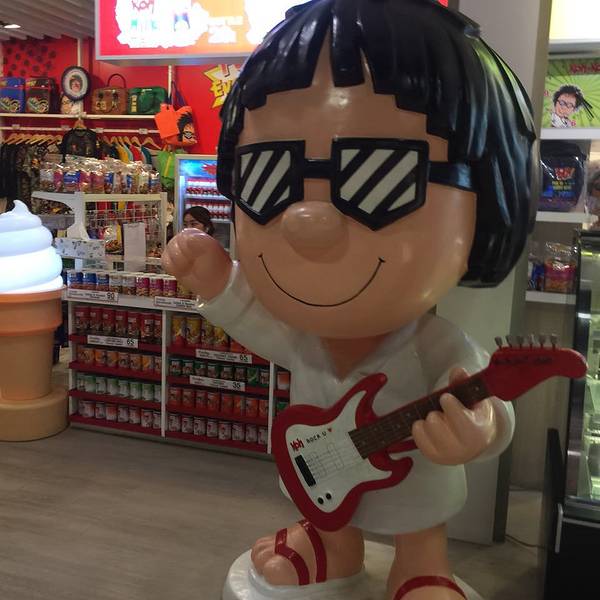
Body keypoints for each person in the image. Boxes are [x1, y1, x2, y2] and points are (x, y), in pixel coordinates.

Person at [163, 1, 537, 598]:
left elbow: (483, 391)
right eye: (268, 177)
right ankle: (332, 546)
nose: (306, 218)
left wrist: (482, 426)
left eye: (376, 175)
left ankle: (422, 563)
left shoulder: (431, 345)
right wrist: (220, 283)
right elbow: (258, 323)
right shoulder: (305, 338)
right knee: (327, 512)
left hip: (414, 484)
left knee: (419, 520)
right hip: (323, 477)